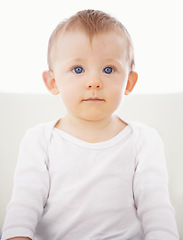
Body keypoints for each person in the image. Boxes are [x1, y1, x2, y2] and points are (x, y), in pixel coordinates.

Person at [2, 9, 179, 240]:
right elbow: (23, 207)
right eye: (78, 69)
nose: (94, 82)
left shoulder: (143, 140)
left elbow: (157, 211)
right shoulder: (39, 139)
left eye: (108, 69)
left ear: (129, 82)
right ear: (53, 82)